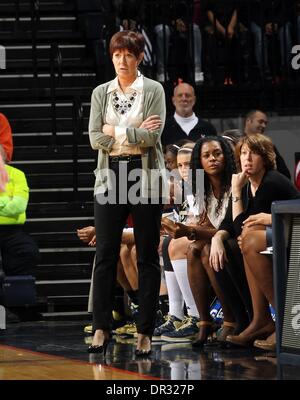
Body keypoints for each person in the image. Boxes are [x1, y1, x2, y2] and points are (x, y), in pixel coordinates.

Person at [88, 30, 167, 356]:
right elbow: (95, 137)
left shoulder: (153, 89)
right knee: (106, 253)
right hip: (110, 174)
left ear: (139, 57)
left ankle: (144, 331)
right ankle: (101, 327)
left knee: (147, 254)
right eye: (117, 54)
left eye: (129, 54)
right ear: (111, 57)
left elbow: (152, 139)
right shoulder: (101, 92)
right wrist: (128, 133)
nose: (122, 60)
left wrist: (115, 130)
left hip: (145, 173)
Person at [209, 133, 300, 348]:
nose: (247, 159)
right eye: (243, 153)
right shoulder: (245, 183)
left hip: (294, 236)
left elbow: (296, 209)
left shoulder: (273, 180)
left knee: (248, 239)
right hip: (271, 240)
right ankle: (260, 320)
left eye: (254, 154)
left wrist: (272, 216)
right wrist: (217, 237)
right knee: (244, 241)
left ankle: (285, 323)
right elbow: (232, 226)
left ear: (266, 157)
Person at [243, 109, 291, 179]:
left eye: (265, 123)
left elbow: (284, 172)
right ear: (248, 121)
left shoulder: (268, 145)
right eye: (260, 122)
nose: (264, 126)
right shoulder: (236, 141)